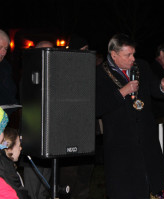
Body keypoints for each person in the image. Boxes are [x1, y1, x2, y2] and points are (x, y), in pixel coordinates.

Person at [96, 33, 164, 198]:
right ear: (114, 55)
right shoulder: (100, 73)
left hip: (145, 137)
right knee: (126, 189)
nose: (132, 58)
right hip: (121, 143)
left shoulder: (141, 66)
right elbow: (97, 107)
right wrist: (123, 92)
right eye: (128, 55)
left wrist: (163, 87)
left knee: (148, 185)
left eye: (133, 53)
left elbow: (154, 89)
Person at [58, 34, 94, 199]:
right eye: (83, 50)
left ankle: (82, 195)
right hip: (69, 129)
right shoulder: (63, 70)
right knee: (69, 170)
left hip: (85, 127)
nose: (87, 53)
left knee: (85, 169)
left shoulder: (88, 69)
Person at [22, 40, 54, 199]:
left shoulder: (55, 74)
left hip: (50, 136)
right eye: (47, 52)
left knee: (45, 183)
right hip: (33, 135)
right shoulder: (30, 73)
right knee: (32, 183)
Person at [0, 127, 30, 199]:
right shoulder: (7, 170)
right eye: (19, 145)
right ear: (10, 149)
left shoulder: (5, 164)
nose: (20, 148)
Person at [0, 29, 19, 115]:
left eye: (6, 49)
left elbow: (10, 97)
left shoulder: (6, 67)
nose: (3, 53)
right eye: (0, 48)